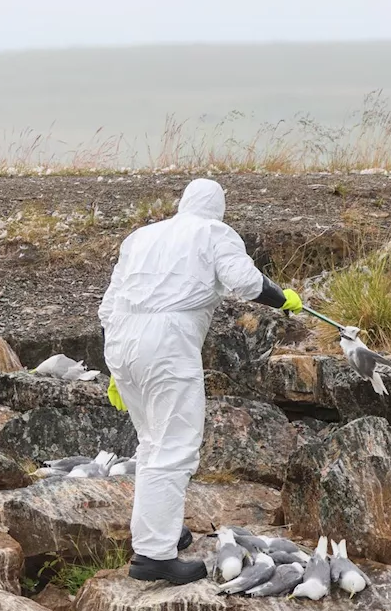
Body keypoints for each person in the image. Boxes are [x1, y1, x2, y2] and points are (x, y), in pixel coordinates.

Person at [99, 179, 301, 584]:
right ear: (218, 208)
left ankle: (162, 531)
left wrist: (116, 372)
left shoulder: (141, 236)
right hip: (168, 343)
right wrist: (282, 298)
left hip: (121, 340)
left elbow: (108, 303)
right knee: (174, 446)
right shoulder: (213, 231)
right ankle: (154, 556)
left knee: (152, 441)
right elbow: (244, 281)